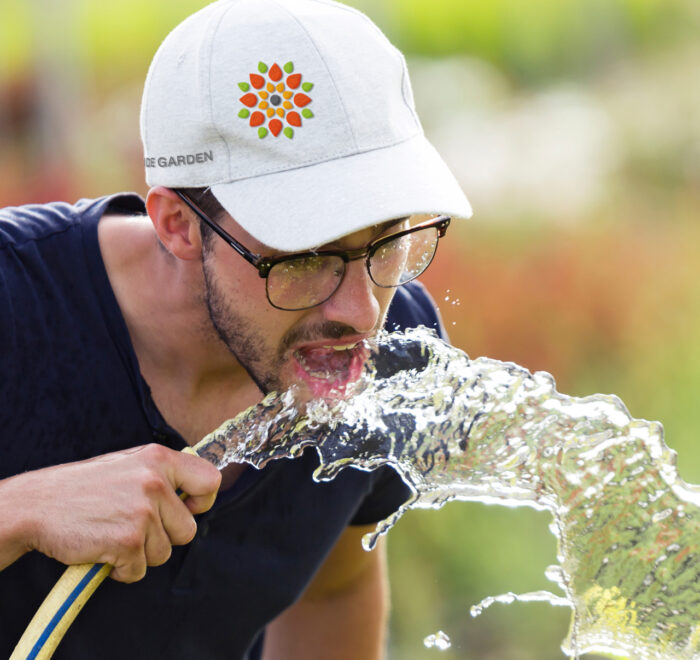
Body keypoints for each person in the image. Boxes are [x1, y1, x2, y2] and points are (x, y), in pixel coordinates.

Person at [0, 0, 471, 657]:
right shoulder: (16, 305)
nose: (362, 313)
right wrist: (21, 511)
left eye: (389, 243)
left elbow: (334, 585)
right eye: (307, 255)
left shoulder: (397, 352)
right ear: (176, 224)